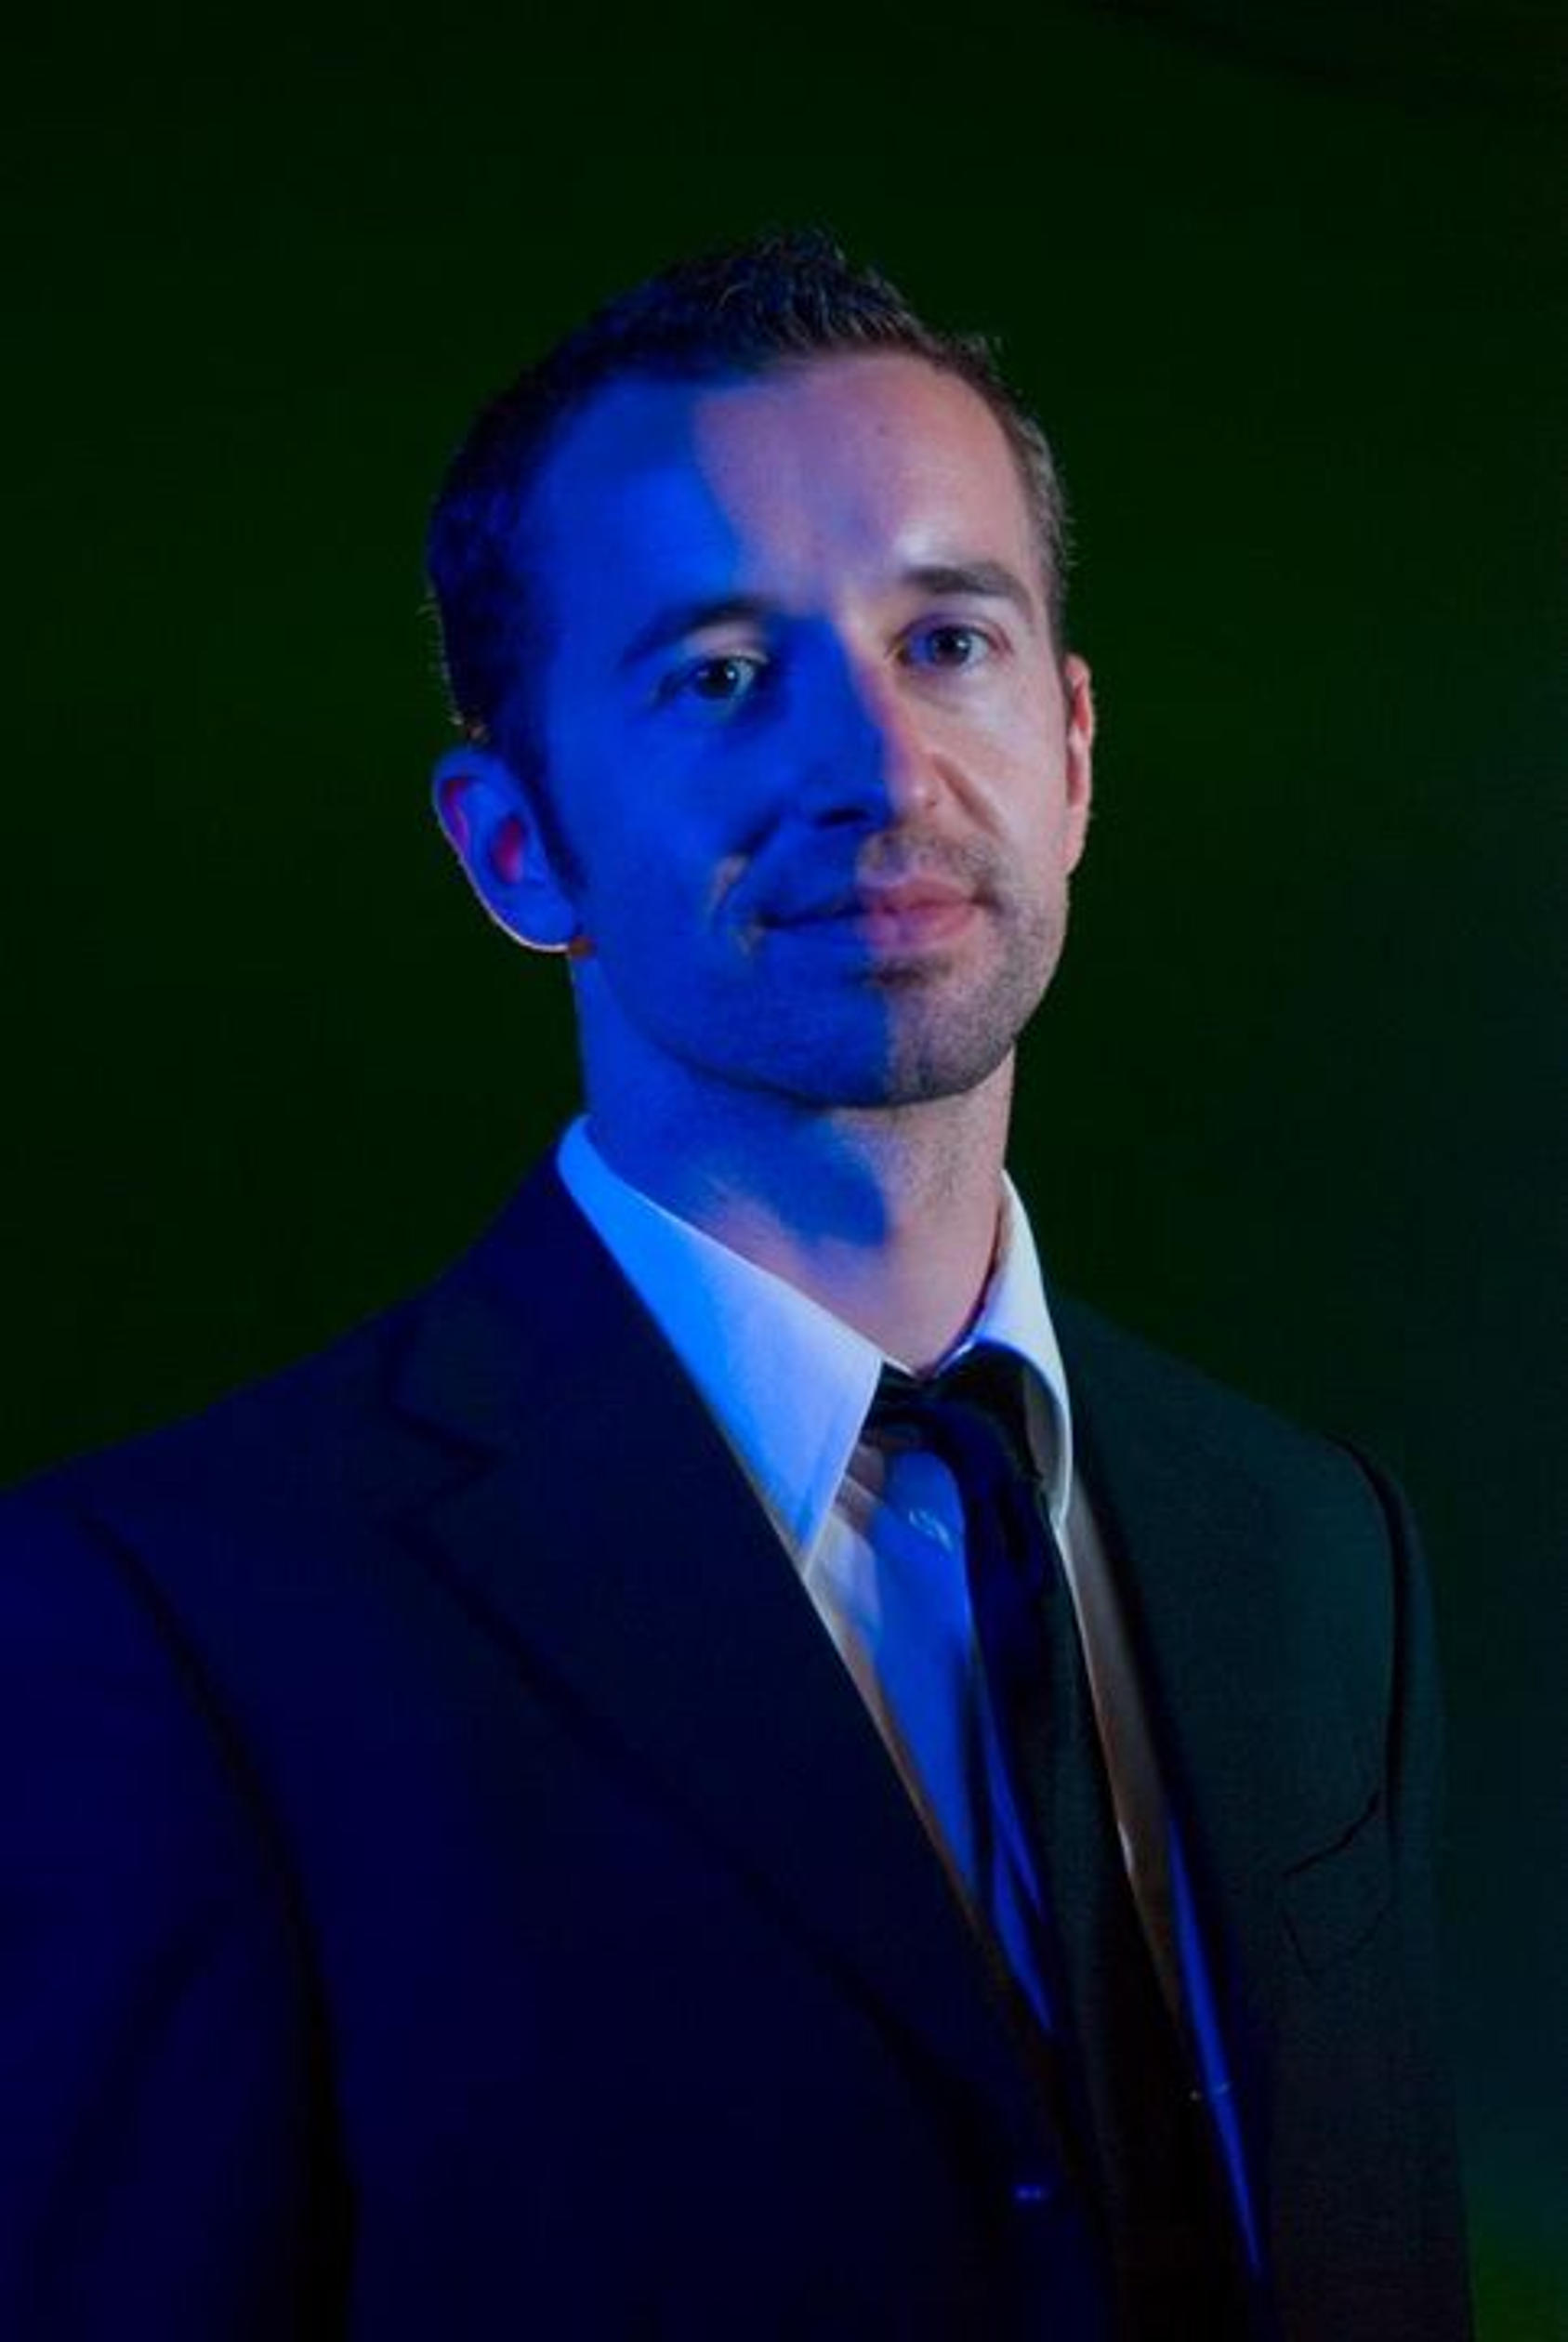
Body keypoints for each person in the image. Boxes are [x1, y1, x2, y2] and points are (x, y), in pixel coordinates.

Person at [0, 231, 1469, 2340]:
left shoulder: (1319, 1555)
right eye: (717, 673)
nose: (876, 766)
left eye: (946, 639)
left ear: (1071, 750)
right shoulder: (175, 1630)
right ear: (515, 846)